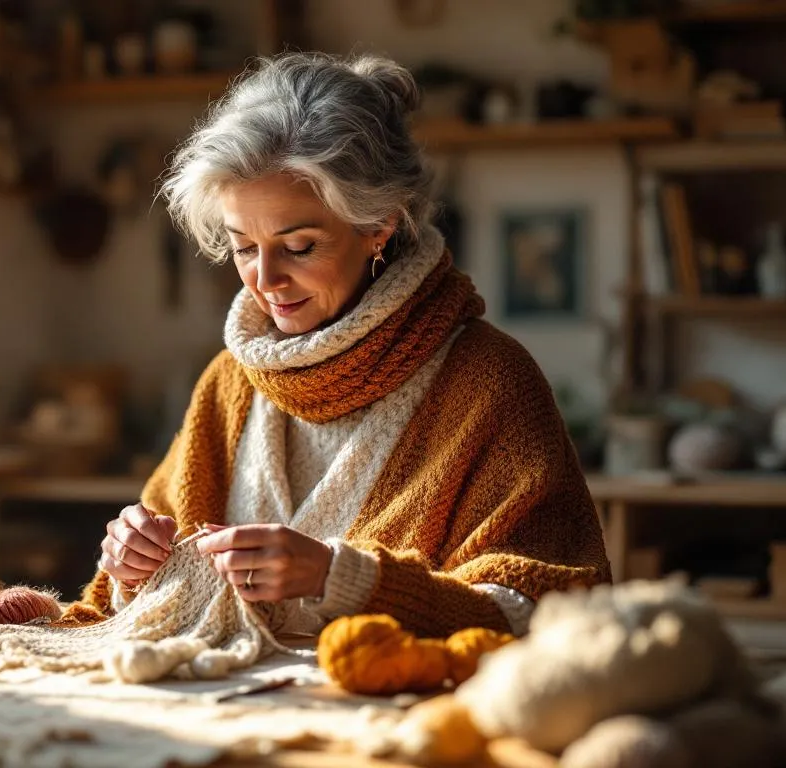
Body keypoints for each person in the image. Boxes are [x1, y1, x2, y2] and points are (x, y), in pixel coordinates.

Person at [81, 52, 610, 638]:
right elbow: (136, 601)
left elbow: (553, 616)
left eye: (299, 246)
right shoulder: (230, 382)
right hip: (224, 717)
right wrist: (133, 564)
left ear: (378, 226)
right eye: (242, 247)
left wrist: (344, 579)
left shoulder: (488, 382)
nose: (266, 280)